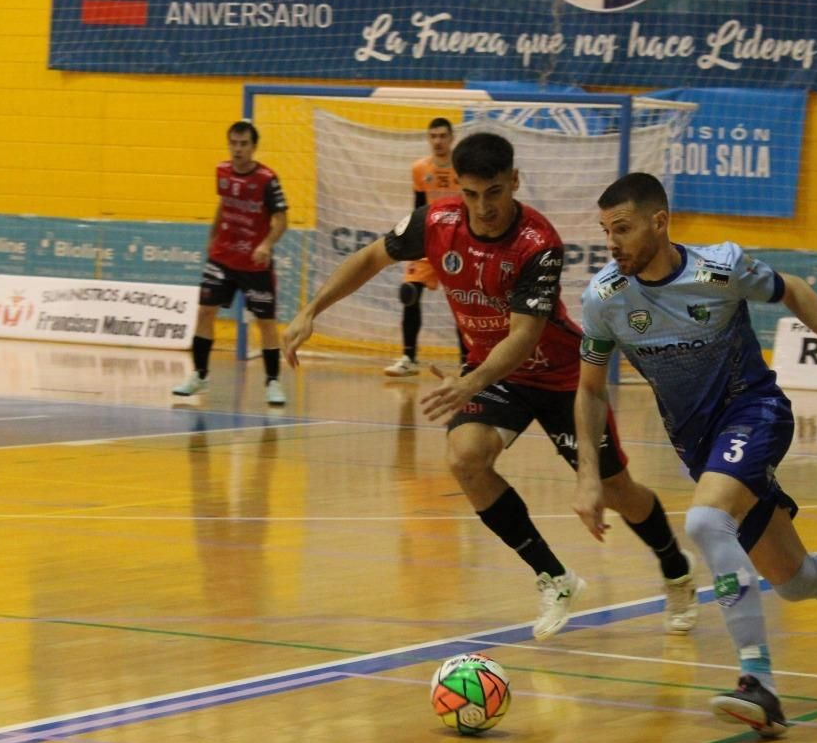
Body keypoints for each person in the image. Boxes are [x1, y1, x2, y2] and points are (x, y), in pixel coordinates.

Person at [573, 172, 817, 738]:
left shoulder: (718, 269)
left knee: (705, 521)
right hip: (700, 447)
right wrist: (588, 475)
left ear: (659, 222)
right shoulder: (605, 298)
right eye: (606, 231)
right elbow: (589, 390)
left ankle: (759, 683)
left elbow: (794, 289)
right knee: (795, 580)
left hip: (755, 413)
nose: (612, 243)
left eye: (623, 229)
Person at [283, 133, 698, 639]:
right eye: (473, 195)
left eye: (495, 192)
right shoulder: (435, 222)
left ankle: (675, 567)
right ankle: (556, 577)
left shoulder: (538, 243)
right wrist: (311, 311)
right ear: (458, 187)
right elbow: (371, 258)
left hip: (559, 378)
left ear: (515, 182)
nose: (484, 207)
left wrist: (469, 382)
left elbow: (523, 338)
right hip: (495, 375)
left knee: (616, 491)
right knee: (465, 459)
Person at [173, 120, 289, 406]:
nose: (238, 150)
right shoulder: (222, 171)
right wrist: (213, 236)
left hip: (254, 262)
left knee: (266, 323)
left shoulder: (267, 179)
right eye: (233, 144)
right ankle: (200, 375)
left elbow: (282, 220)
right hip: (223, 258)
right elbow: (224, 203)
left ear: (253, 147)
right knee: (205, 312)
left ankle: (273, 381)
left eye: (243, 144)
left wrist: (265, 245)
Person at [385, 117, 461, 377]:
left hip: (458, 245)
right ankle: (409, 357)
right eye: (433, 136)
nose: (438, 141)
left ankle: (467, 363)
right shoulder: (420, 168)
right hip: (428, 241)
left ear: (451, 138)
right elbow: (418, 207)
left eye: (442, 135)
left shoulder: (462, 168)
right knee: (409, 293)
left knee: (464, 302)